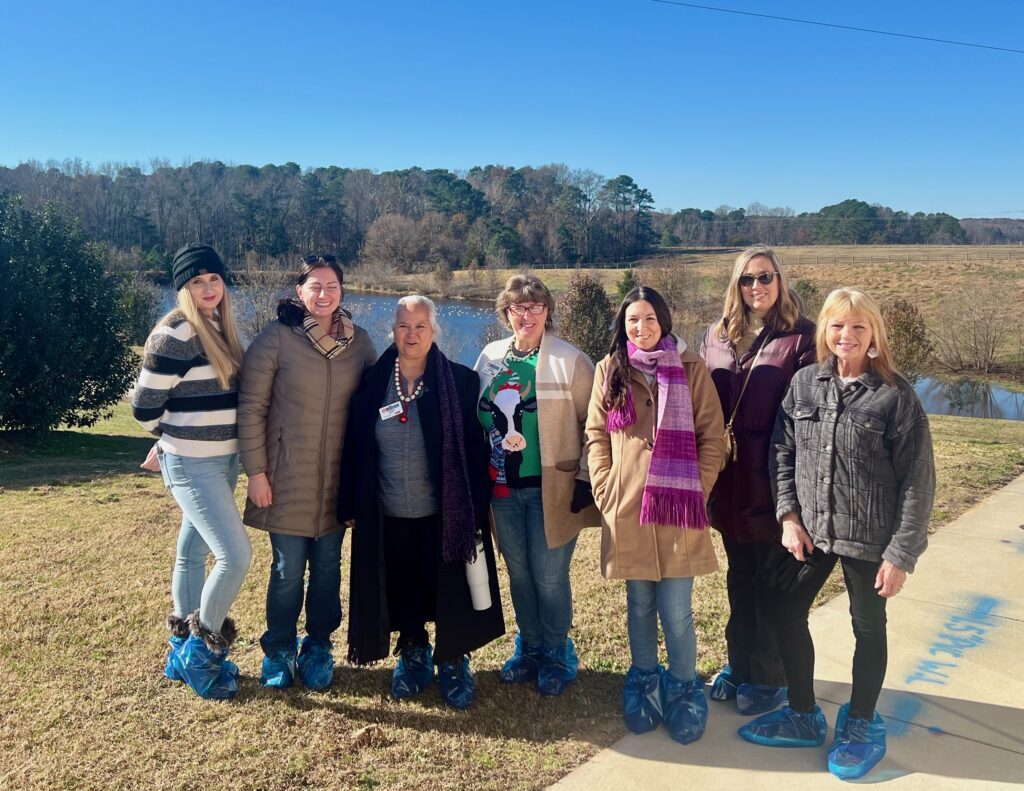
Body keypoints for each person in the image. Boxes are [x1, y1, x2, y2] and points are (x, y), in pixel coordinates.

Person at [738, 287, 935, 781]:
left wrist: (901, 554)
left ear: (873, 336)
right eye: (836, 325)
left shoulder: (895, 395)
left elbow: (917, 479)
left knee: (867, 628)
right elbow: (781, 452)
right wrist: (788, 516)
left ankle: (862, 723)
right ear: (824, 330)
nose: (845, 335)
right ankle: (803, 713)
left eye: (857, 327)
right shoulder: (804, 384)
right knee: (784, 608)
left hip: (871, 537)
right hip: (812, 530)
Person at [339, 296, 505, 709]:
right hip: (388, 509)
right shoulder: (372, 383)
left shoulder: (461, 383)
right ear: (391, 331)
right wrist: (349, 504)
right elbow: (354, 448)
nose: (410, 335)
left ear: (434, 332)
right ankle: (412, 653)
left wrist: (473, 508)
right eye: (402, 327)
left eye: (420, 327)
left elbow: (474, 450)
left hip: (443, 512)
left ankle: (453, 659)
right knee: (403, 586)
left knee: (447, 589)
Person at [586, 286, 726, 744]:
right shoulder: (611, 369)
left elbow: (712, 438)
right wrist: (606, 486)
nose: (641, 328)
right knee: (640, 604)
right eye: (632, 320)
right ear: (622, 326)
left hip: (679, 511)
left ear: (663, 321)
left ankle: (684, 688)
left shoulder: (691, 369)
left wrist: (696, 491)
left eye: (649, 319)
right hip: (628, 509)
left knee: (677, 610)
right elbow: (595, 434)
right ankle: (644, 679)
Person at [238, 254, 376, 690]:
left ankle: (318, 644)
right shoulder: (277, 337)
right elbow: (252, 408)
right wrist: (256, 472)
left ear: (342, 291)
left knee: (329, 568)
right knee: (286, 571)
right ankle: (279, 648)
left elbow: (377, 407)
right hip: (285, 478)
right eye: (314, 286)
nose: (323, 294)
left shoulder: (361, 344)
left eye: (331, 286)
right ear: (300, 291)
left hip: (337, 482)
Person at [699, 245, 816, 715]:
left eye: (765, 277)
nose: (756, 287)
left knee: (771, 583)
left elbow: (809, 418)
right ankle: (739, 664)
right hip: (728, 481)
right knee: (739, 578)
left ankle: (768, 676)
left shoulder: (802, 338)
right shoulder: (717, 334)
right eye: (747, 279)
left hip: (774, 479)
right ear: (736, 284)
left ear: (779, 281)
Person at [132, 243, 251, 700]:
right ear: (184, 287)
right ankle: (203, 654)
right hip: (190, 462)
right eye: (197, 281)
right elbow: (144, 410)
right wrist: (170, 441)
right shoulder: (174, 333)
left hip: (224, 459)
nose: (207, 288)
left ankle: (179, 650)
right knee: (235, 556)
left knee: (190, 551)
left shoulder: (224, 328)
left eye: (214, 279)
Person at [473, 274, 597, 696]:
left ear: (547, 311)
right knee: (520, 574)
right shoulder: (490, 358)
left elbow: (593, 425)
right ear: (505, 313)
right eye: (517, 308)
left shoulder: (571, 360)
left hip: (554, 489)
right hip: (503, 490)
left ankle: (557, 651)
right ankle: (529, 647)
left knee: (549, 575)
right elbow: (477, 416)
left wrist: (584, 477)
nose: (526, 316)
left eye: (535, 307)